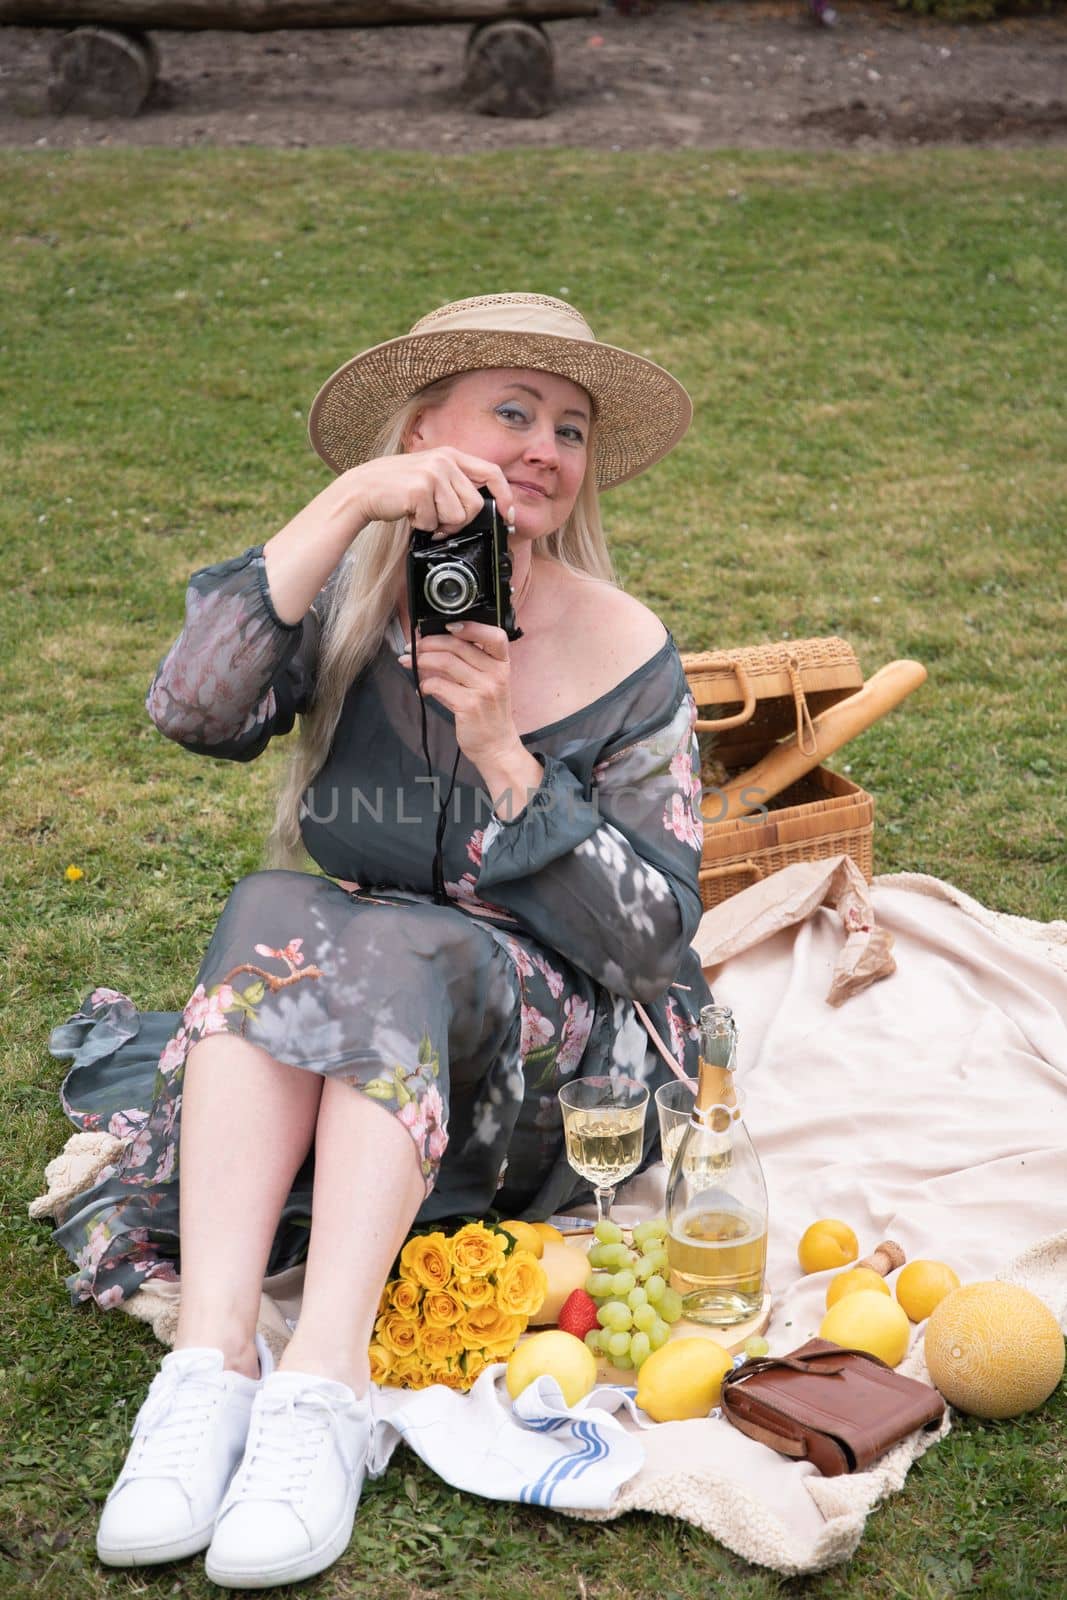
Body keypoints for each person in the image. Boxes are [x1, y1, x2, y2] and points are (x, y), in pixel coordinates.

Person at [45, 293, 713, 1588]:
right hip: (372, 1001)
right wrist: (356, 502)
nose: (545, 447)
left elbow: (651, 945)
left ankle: (325, 1387)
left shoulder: (626, 646)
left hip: (565, 1071)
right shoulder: (361, 606)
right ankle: (212, 1364)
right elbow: (193, 704)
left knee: (391, 945)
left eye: (569, 427)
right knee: (269, 909)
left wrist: (505, 757)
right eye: (511, 411)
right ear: (425, 430)